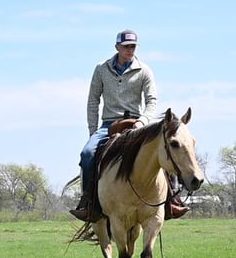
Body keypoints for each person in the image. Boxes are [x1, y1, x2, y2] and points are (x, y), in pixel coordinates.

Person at [69, 29, 189, 222]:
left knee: (163, 148)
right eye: (126, 46)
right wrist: (93, 132)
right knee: (87, 153)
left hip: (137, 123)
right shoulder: (101, 69)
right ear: (117, 47)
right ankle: (88, 203)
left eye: (133, 46)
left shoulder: (144, 70)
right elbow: (93, 101)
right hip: (108, 124)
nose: (130, 50)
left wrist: (142, 121)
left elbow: (151, 101)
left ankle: (172, 200)